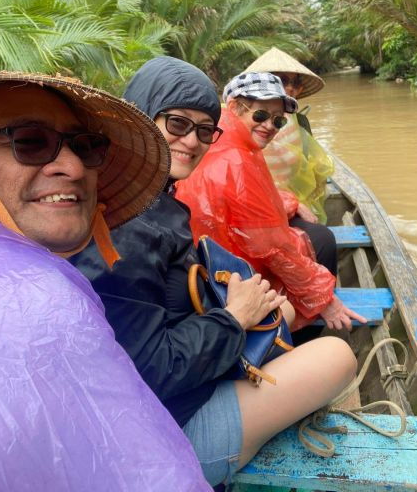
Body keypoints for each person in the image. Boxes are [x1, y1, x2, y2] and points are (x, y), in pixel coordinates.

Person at [73, 57, 358, 487]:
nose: (192, 140)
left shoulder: (147, 198)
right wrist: (234, 318)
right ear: (138, 118)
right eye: (176, 124)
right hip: (159, 433)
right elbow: (150, 371)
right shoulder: (132, 227)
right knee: (337, 354)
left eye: (204, 130)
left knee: (287, 313)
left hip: (174, 366)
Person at [0, 71, 210, 491]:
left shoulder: (47, 272)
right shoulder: (39, 295)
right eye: (29, 141)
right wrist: (232, 321)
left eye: (85, 146)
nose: (73, 166)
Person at [177, 71, 367, 333]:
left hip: (209, 253)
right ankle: (303, 340)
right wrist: (323, 299)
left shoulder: (216, 137)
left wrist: (290, 202)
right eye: (260, 115)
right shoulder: (238, 159)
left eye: (278, 120)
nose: (269, 126)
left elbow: (250, 202)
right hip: (230, 271)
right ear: (234, 107)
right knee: (322, 240)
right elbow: (273, 249)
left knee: (313, 232)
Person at [245, 46, 334, 226]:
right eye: (282, 81)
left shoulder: (300, 122)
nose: (290, 88)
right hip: (254, 201)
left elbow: (312, 168)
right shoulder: (243, 117)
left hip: (290, 201)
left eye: (295, 83)